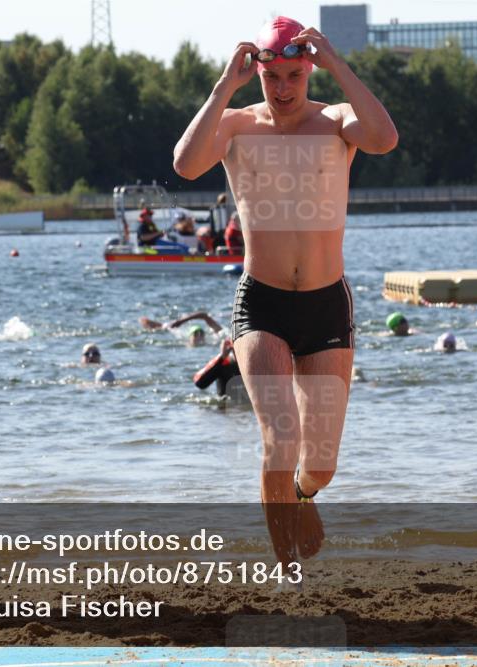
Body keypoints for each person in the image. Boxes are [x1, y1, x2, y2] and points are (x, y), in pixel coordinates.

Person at [173, 16, 397, 572]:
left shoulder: (337, 121)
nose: (283, 89)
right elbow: (185, 163)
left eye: (295, 75)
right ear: (260, 74)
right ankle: (286, 572)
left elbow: (385, 138)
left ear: (309, 69)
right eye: (273, 78)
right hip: (262, 303)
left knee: (319, 465)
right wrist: (225, 84)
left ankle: (302, 493)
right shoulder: (236, 125)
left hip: (325, 304)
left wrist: (340, 66)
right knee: (279, 434)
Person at [140, 311, 224, 347]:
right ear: (190, 337)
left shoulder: (215, 340)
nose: (199, 336)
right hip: (175, 326)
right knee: (166, 328)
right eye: (195, 334)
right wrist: (179, 322)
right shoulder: (186, 344)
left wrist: (180, 322)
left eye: (201, 333)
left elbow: (204, 315)